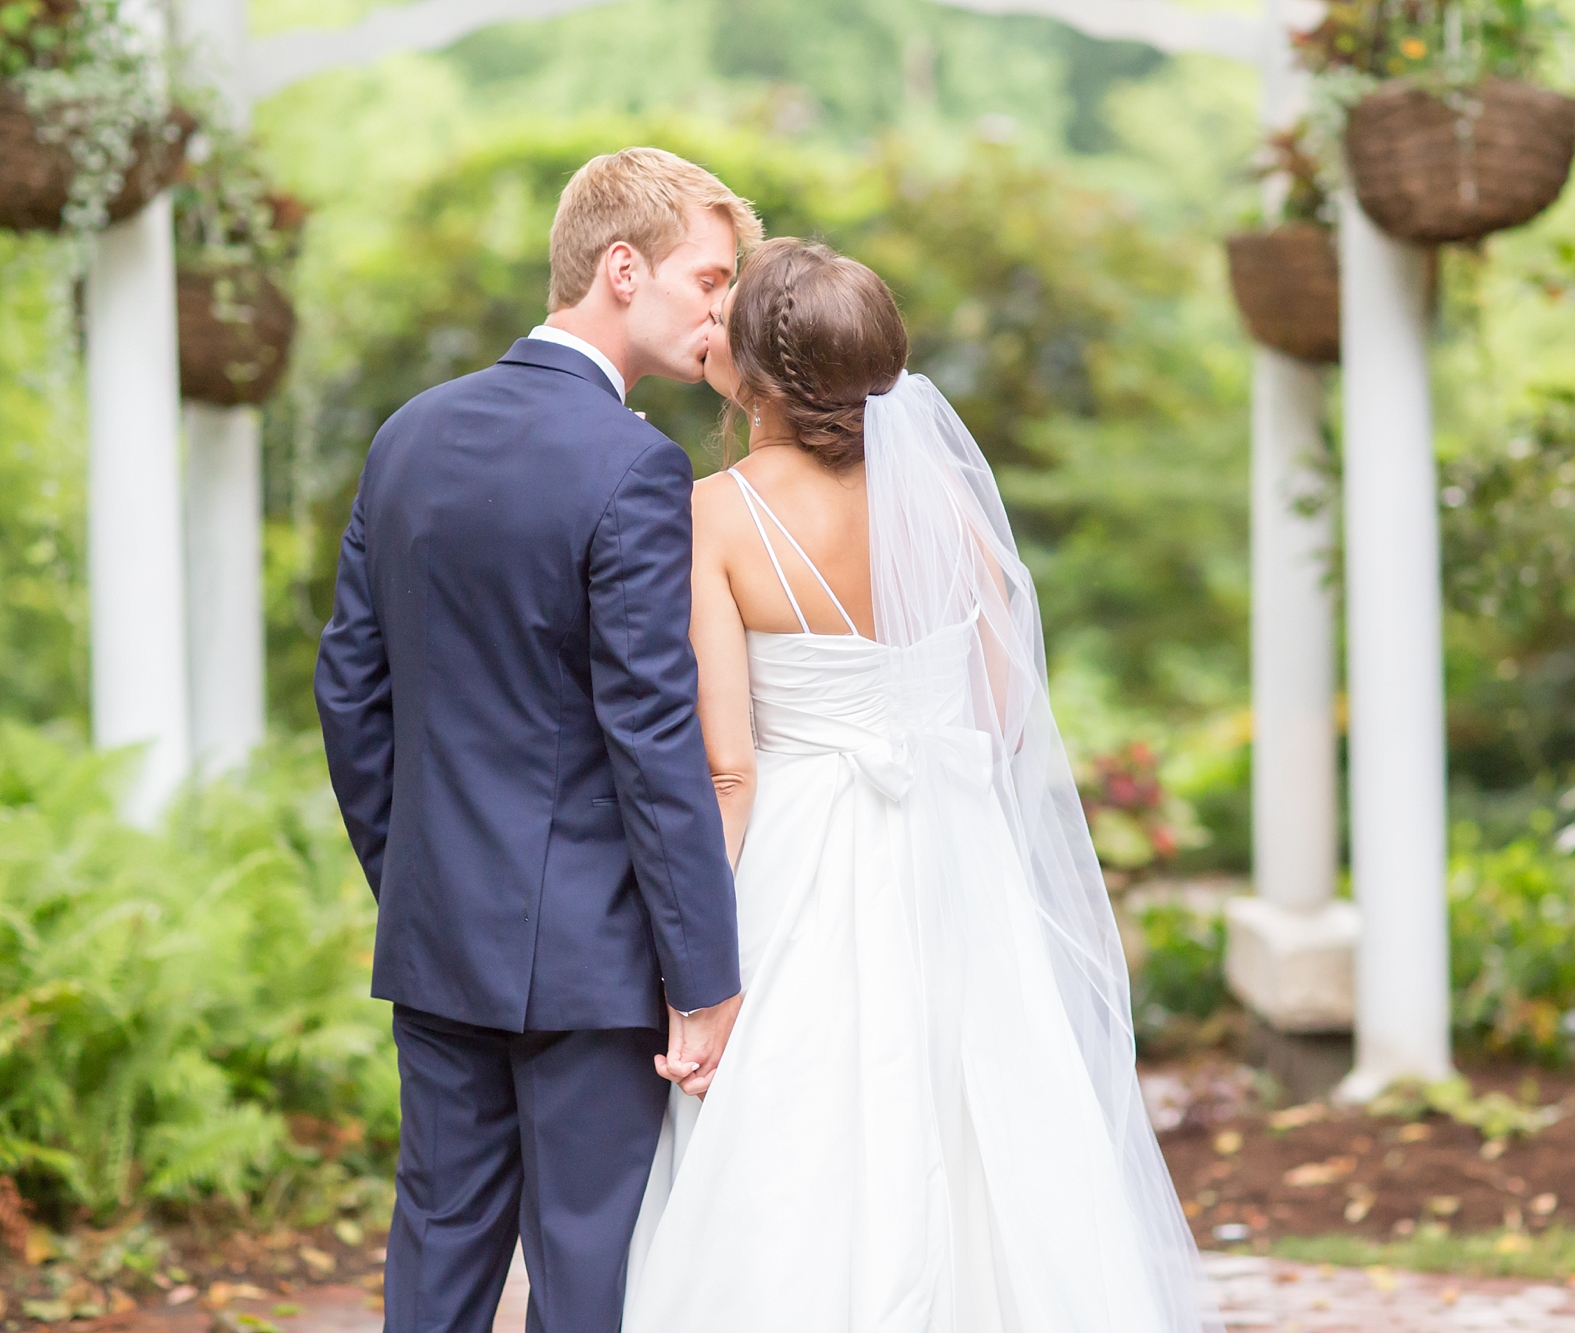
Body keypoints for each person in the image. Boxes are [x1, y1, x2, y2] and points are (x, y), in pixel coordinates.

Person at [622, 237, 1220, 1332]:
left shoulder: (714, 514)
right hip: (954, 855)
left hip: (800, 854)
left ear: (754, 375)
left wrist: (689, 969)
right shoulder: (943, 499)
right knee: (983, 1118)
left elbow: (728, 767)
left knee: (799, 1135)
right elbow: (998, 710)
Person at [314, 147, 761, 1333]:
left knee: (440, 1253)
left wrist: (411, 868)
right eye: (707, 278)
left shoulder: (407, 432)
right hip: (592, 954)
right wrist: (703, 974)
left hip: (438, 929)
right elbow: (650, 730)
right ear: (623, 268)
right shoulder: (633, 465)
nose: (723, 309)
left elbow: (348, 689)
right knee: (586, 1274)